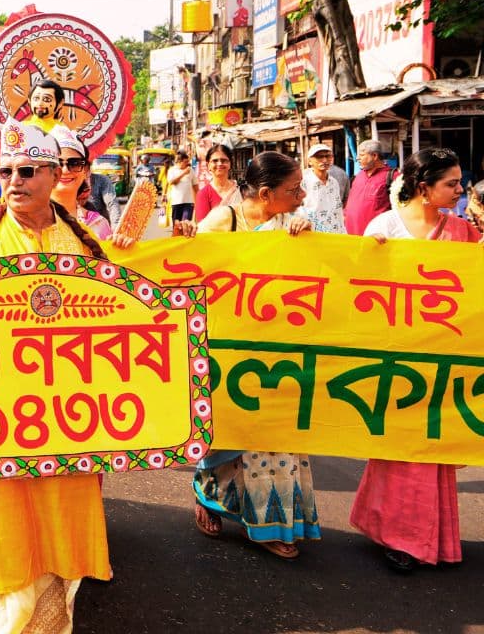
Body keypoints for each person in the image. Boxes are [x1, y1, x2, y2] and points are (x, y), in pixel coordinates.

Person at [0, 120, 111, 633]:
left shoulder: (82, 242)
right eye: (6, 172)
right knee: (5, 529)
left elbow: (113, 325)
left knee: (62, 526)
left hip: (68, 417)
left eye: (27, 171)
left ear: (55, 174)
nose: (14, 181)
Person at [182, 151, 320, 560]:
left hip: (276, 350)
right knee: (226, 432)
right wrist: (187, 238)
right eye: (294, 189)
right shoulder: (223, 221)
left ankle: (270, 522)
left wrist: (308, 239)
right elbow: (191, 271)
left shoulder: (288, 226)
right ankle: (207, 499)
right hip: (226, 348)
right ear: (265, 193)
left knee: (274, 437)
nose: (301, 196)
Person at [351, 147, 479, 573]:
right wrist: (368, 254)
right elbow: (359, 287)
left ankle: (429, 536)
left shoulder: (462, 231)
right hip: (396, 359)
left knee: (433, 445)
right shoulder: (384, 227)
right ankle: (398, 535)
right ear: (424, 187)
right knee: (400, 445)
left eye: (460, 182)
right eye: (451, 183)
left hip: (443, 359)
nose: (460, 190)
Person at [51, 128, 112, 240]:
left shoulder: (98, 224)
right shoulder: (25, 222)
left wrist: (121, 247)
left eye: (74, 163)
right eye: (57, 163)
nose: (65, 170)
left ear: (86, 171)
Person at [344, 139, 394, 235]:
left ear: (374, 156)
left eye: (362, 155)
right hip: (351, 236)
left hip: (376, 237)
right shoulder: (359, 176)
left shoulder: (393, 177)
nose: (357, 158)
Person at [300, 143, 346, 233]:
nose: (324, 160)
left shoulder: (334, 182)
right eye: (319, 157)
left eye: (327, 156)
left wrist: (343, 231)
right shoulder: (303, 182)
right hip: (313, 233)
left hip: (334, 233)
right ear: (310, 161)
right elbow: (296, 208)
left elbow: (338, 209)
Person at [194, 144, 241, 222]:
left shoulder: (240, 190)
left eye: (224, 160)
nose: (219, 164)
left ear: (230, 164)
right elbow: (203, 225)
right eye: (215, 161)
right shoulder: (204, 194)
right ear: (208, 165)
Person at [166, 150, 197, 225]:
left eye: (188, 161)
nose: (187, 164)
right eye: (185, 162)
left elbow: (195, 185)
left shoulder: (191, 171)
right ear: (180, 162)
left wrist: (197, 200)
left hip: (189, 202)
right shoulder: (172, 170)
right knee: (177, 225)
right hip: (177, 202)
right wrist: (184, 173)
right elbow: (172, 182)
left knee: (186, 224)